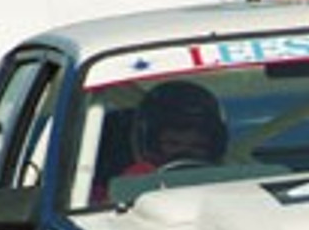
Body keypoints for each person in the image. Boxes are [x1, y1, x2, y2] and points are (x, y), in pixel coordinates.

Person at [93, 80, 227, 204]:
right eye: (173, 144)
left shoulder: (226, 178)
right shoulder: (137, 178)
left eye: (197, 146)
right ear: (152, 144)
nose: (184, 152)